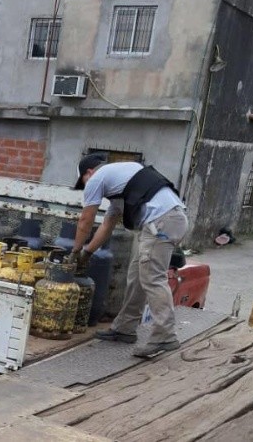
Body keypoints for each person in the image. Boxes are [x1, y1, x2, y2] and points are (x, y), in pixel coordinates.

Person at [68, 153, 188, 358]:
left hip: (161, 222)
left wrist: (75, 251)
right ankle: (125, 327)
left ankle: (165, 335)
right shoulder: (122, 180)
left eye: (84, 183)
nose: (86, 188)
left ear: (89, 172)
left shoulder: (97, 178)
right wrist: (88, 252)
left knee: (153, 278)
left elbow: (85, 220)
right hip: (167, 219)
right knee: (137, 275)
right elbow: (106, 226)